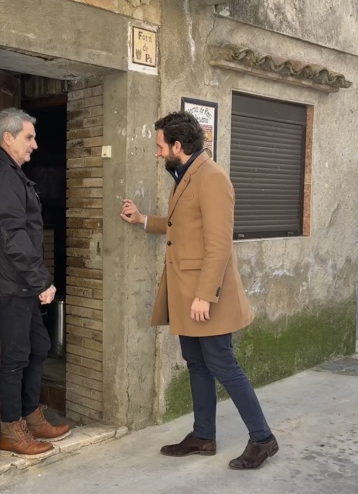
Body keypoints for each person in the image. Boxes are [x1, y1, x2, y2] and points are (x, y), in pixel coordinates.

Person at [120, 111, 278, 470]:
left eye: (161, 146)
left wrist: (205, 294)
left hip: (208, 296)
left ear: (178, 145)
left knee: (224, 365)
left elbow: (219, 243)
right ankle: (204, 435)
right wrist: (144, 220)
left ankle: (264, 439)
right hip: (186, 293)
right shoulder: (187, 175)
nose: (158, 153)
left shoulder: (212, 177)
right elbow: (182, 225)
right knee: (196, 364)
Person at [0, 107, 70, 458]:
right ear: (8, 138)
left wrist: (38, 280)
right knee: (16, 355)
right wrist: (40, 281)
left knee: (39, 347)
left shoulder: (12, 174)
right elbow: (12, 235)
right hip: (12, 283)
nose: (35, 144)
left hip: (23, 282)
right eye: (29, 137)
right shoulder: (2, 176)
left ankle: (31, 416)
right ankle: (11, 430)